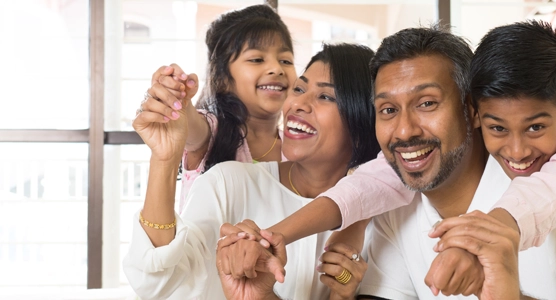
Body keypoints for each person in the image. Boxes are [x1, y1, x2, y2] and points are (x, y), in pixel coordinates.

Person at [265, 18, 556, 298]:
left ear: (471, 109)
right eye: (387, 110)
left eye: (427, 103)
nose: (405, 130)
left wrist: (502, 284)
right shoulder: (395, 202)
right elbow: (360, 189)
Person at [123, 43, 379, 300]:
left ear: (363, 119)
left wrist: (341, 296)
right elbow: (157, 284)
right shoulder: (228, 183)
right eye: (299, 89)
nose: (297, 104)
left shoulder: (381, 218)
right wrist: (164, 158)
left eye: (325, 96)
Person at [136, 4, 296, 209]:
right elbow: (191, 128)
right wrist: (178, 100)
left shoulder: (298, 145)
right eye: (257, 59)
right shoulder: (212, 132)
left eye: (286, 60)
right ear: (221, 78)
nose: (276, 68)